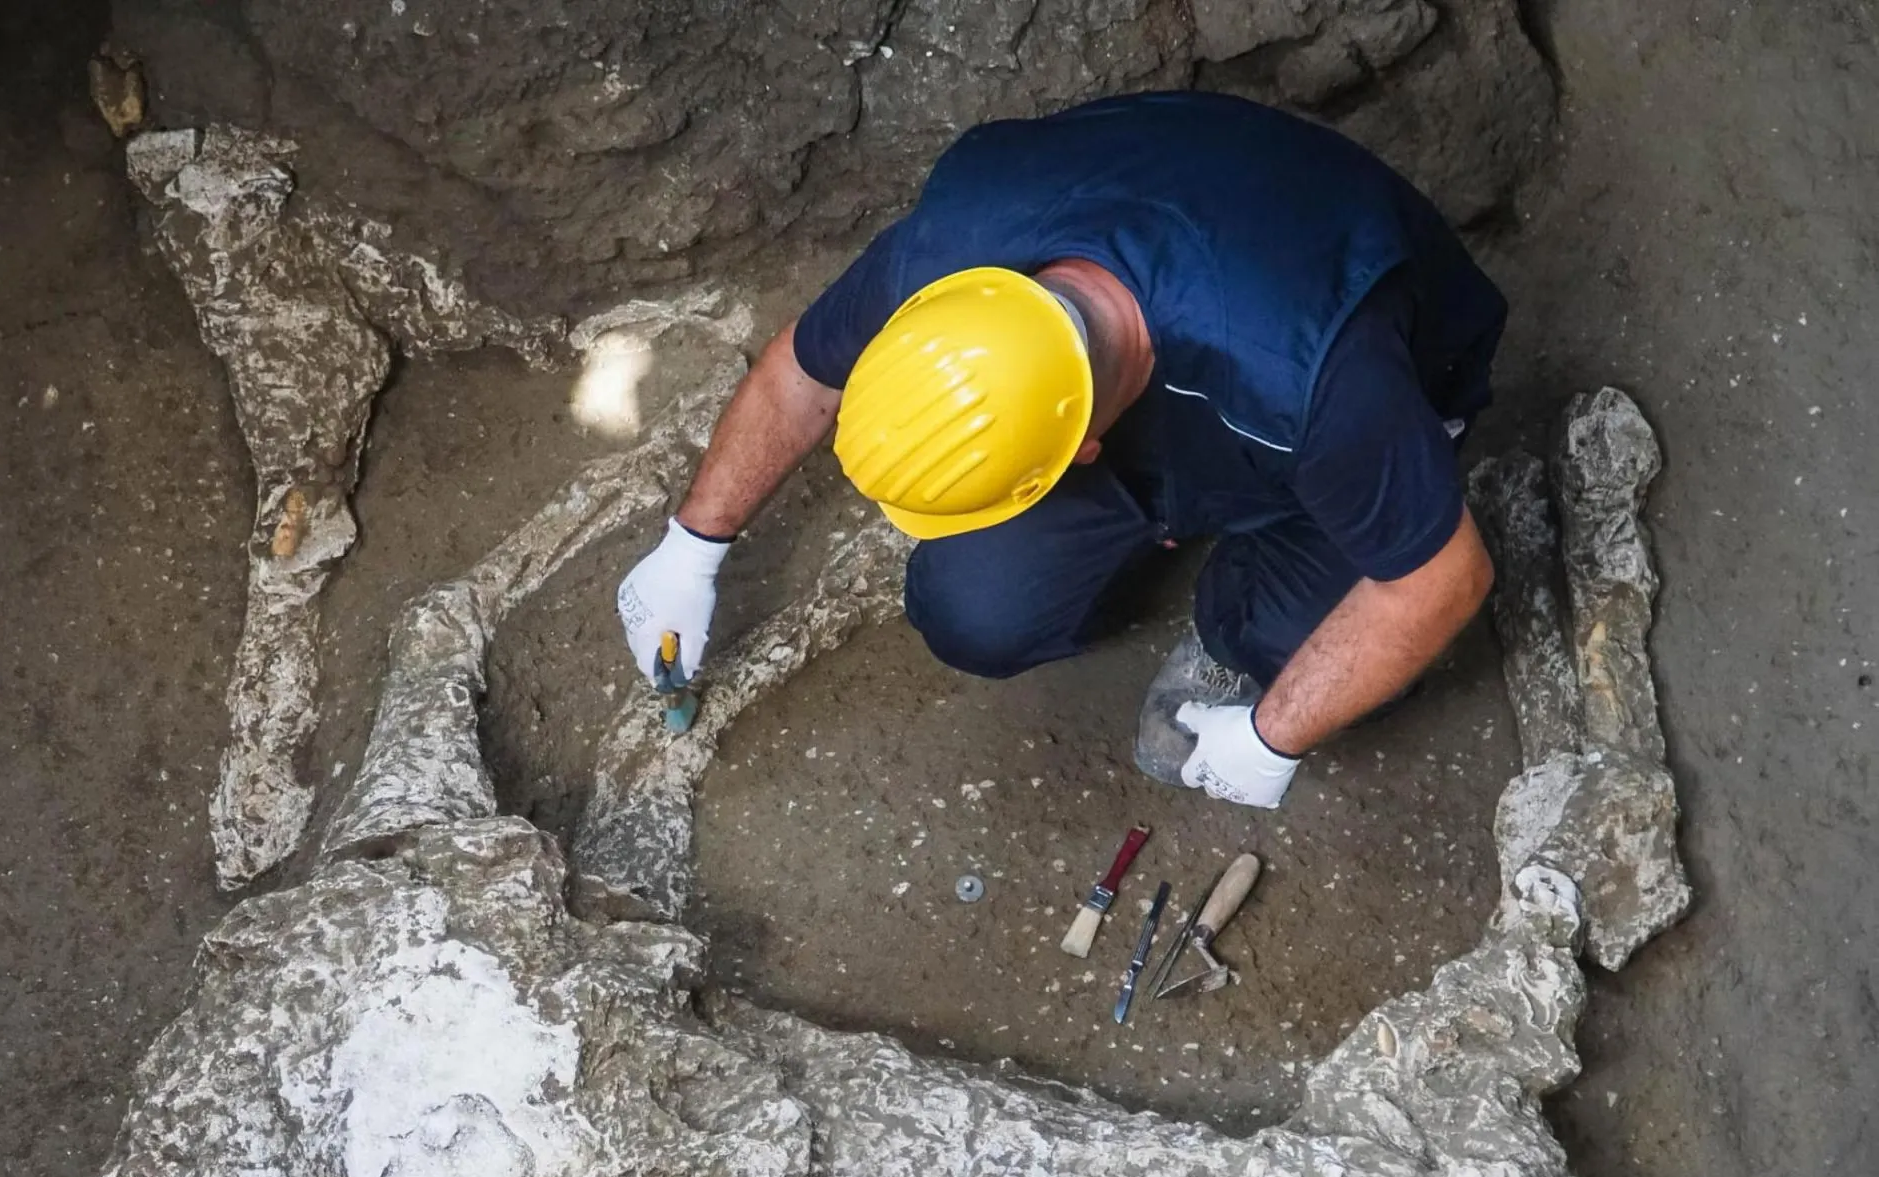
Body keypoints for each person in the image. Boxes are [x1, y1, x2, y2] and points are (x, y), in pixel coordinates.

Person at [615, 91, 1508, 809]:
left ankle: (1239, 610)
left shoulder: (1312, 379)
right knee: (974, 608)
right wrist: (691, 547)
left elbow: (1441, 580)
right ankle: (1171, 540)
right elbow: (801, 376)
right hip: (1196, 305)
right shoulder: (951, 255)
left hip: (1338, 348)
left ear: (1080, 452)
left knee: (1286, 632)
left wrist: (1274, 736)